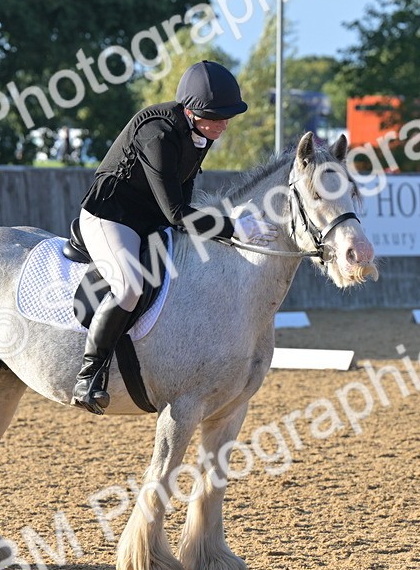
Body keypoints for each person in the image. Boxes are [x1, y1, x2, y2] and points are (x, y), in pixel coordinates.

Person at [71, 60, 277, 414]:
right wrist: (232, 228)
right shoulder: (159, 134)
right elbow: (177, 213)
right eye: (217, 115)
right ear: (192, 110)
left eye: (228, 115)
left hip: (150, 218)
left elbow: (181, 195)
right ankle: (90, 374)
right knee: (130, 285)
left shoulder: (202, 130)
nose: (224, 123)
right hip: (112, 215)